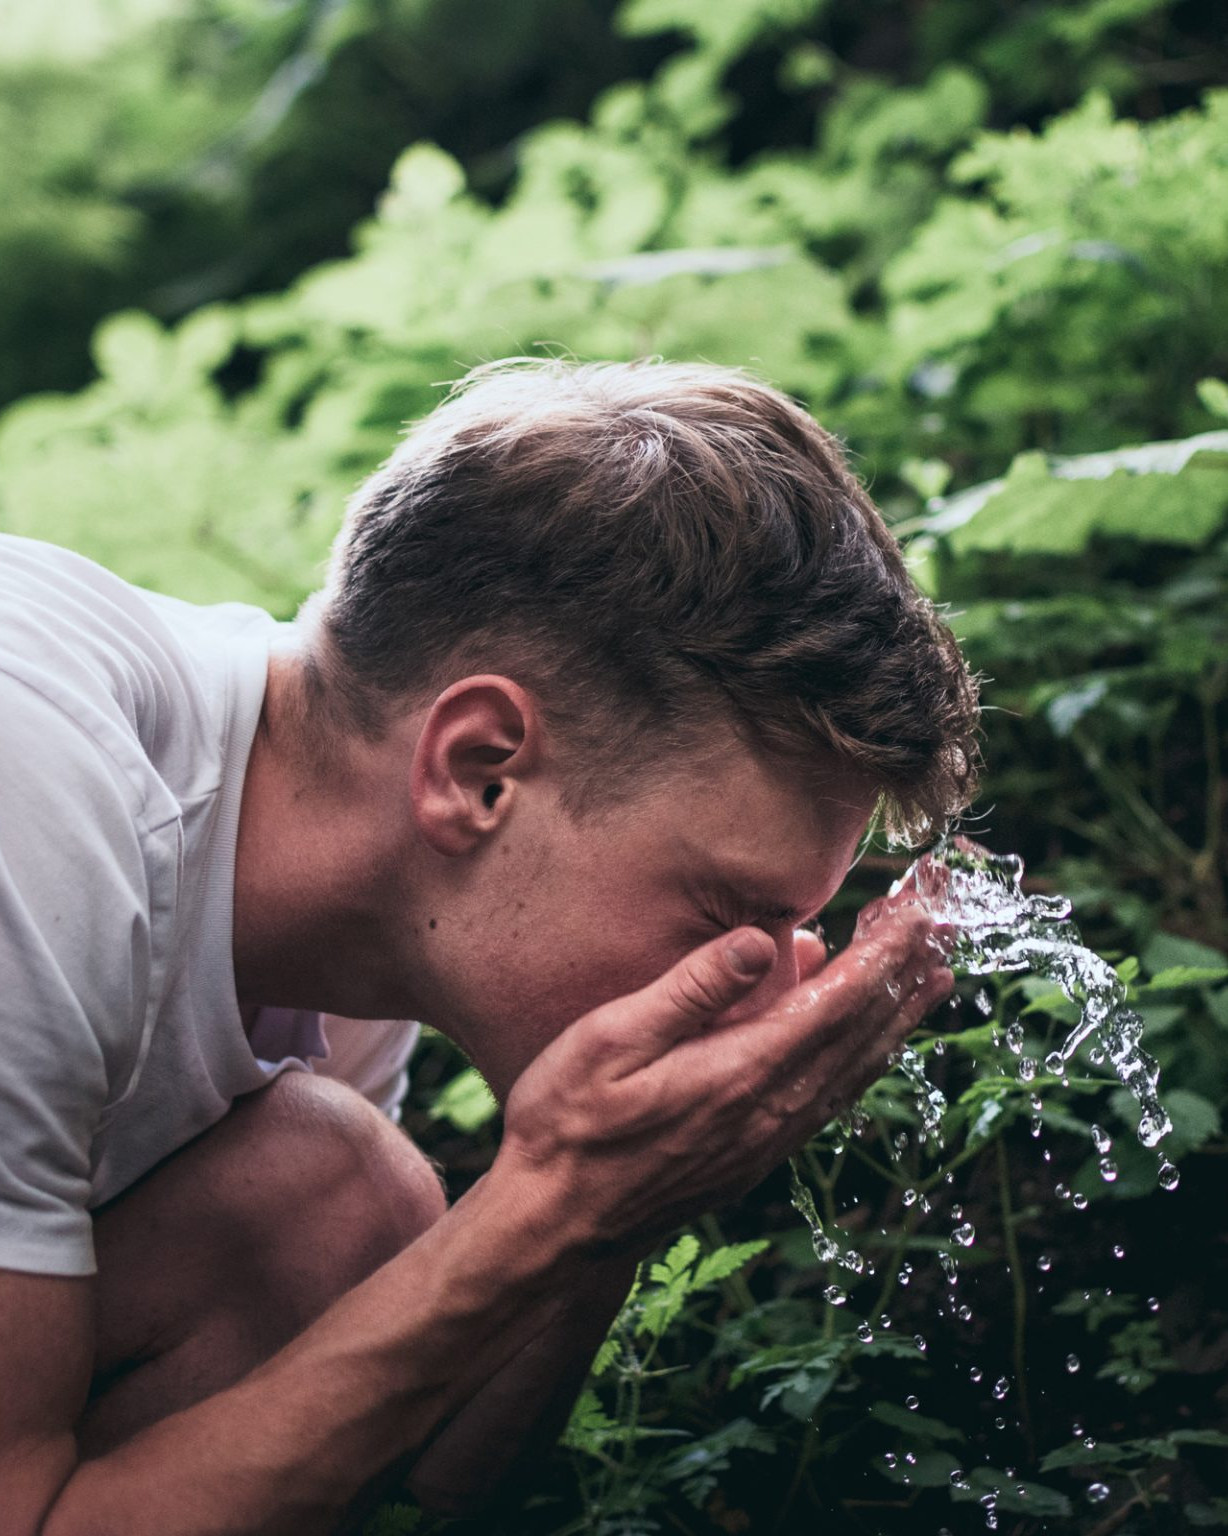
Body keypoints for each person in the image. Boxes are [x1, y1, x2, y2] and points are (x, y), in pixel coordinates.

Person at [0, 358, 979, 1534]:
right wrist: (559, 1197)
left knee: (329, 1205)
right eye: (729, 915)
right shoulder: (39, 802)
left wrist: (616, 1202)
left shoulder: (356, 909)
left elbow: (432, 1478)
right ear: (479, 771)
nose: (768, 977)